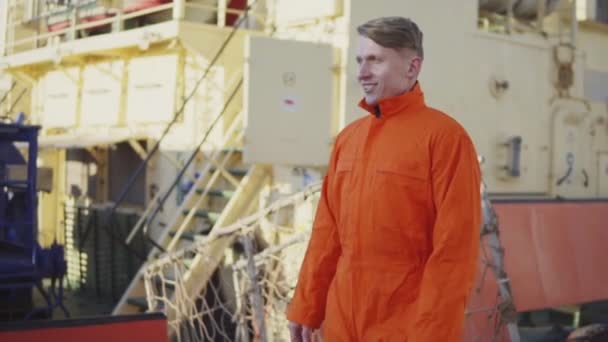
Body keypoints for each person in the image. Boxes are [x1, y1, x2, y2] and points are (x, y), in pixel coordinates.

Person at [286, 16, 482, 341]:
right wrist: (307, 306)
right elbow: (327, 232)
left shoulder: (446, 139)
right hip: (342, 324)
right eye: (360, 60)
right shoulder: (348, 139)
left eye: (375, 60)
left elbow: (453, 253)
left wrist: (431, 335)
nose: (362, 72)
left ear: (412, 66)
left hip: (404, 327)